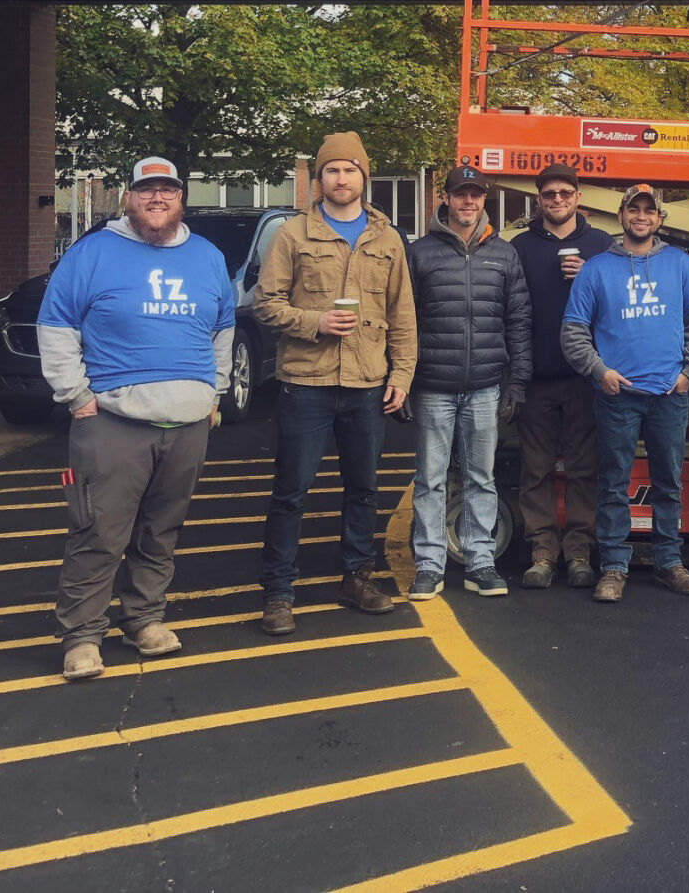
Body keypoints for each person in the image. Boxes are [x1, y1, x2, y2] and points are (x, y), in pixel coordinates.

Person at [38, 156, 236, 682]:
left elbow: (222, 330)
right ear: (129, 197)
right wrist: (76, 396)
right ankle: (82, 636)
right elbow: (56, 326)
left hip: (189, 422)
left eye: (167, 190)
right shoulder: (93, 252)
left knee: (160, 530)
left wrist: (214, 394)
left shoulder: (207, 256)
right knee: (98, 530)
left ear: (180, 198)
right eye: (146, 190)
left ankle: (144, 619)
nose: (157, 199)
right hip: (112, 421)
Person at [253, 132, 417, 635]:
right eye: (332, 171)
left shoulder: (387, 238)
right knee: (291, 491)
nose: (341, 179)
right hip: (306, 382)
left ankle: (356, 577)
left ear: (364, 177)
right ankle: (279, 593)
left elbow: (402, 313)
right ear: (318, 179)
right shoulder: (291, 234)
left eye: (350, 170)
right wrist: (315, 323)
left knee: (363, 488)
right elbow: (264, 304)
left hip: (367, 383)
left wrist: (402, 374)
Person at [561, 184, 689, 603]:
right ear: (621, 215)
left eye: (649, 210)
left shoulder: (679, 264)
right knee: (612, 483)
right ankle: (612, 566)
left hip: (669, 394)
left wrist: (688, 373)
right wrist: (599, 371)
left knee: (668, 483)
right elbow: (573, 330)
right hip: (617, 395)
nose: (641, 216)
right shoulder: (596, 269)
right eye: (633, 209)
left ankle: (669, 562)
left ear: (660, 218)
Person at [405, 164, 532, 601]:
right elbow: (402, 324)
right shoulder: (420, 253)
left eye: (476, 194)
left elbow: (519, 321)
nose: (469, 201)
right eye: (461, 194)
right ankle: (428, 565)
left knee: (482, 477)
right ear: (446, 197)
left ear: (484, 199)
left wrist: (517, 382)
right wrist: (403, 380)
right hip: (432, 386)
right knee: (430, 479)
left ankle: (481, 562)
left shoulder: (505, 254)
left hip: (485, 387)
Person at [511, 162, 613, 590]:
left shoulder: (601, 244)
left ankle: (577, 552)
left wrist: (589, 275)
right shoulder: (519, 246)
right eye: (549, 194)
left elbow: (618, 307)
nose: (557, 200)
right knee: (534, 469)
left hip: (585, 377)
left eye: (565, 193)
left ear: (578, 197)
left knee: (583, 469)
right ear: (539, 200)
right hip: (537, 375)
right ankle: (541, 551)